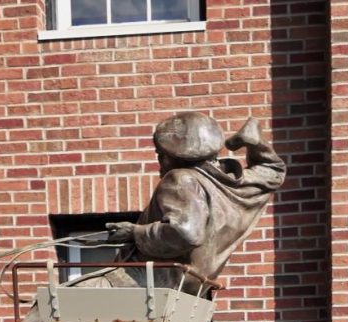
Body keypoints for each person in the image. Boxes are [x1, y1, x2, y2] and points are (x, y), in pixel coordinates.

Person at [86, 112, 286, 293]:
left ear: (173, 157)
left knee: (64, 299)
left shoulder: (181, 180)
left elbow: (185, 233)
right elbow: (273, 171)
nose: (160, 162)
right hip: (189, 290)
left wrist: (134, 232)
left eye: (161, 155)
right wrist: (256, 144)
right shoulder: (233, 185)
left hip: (148, 285)